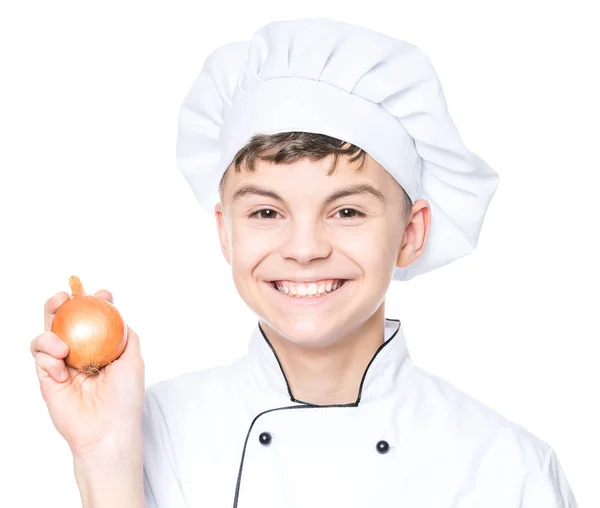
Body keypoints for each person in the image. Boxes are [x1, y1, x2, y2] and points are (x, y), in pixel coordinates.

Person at [31, 17, 578, 508]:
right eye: (267, 211)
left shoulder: (507, 470)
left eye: (346, 210)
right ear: (225, 232)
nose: (304, 247)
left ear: (410, 234)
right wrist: (104, 457)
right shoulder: (152, 433)